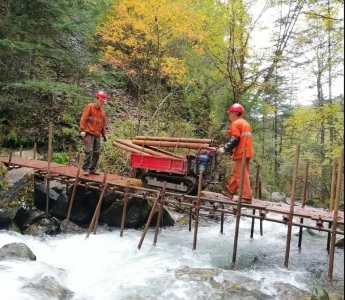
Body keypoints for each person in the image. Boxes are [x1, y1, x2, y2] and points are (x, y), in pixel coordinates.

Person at [217, 103, 254, 203]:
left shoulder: (235, 123)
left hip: (241, 151)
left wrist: (224, 149)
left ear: (234, 113)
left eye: (230, 113)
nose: (229, 116)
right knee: (237, 172)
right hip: (247, 151)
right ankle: (230, 190)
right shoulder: (244, 122)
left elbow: (235, 139)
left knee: (241, 174)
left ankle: (246, 196)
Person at [79, 90, 108, 176]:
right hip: (89, 133)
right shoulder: (90, 107)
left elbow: (102, 125)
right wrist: (82, 130)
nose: (102, 103)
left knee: (97, 152)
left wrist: (104, 135)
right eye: (101, 101)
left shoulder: (102, 112)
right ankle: (85, 168)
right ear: (97, 99)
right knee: (89, 151)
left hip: (97, 134)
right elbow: (83, 118)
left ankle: (92, 168)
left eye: (103, 101)